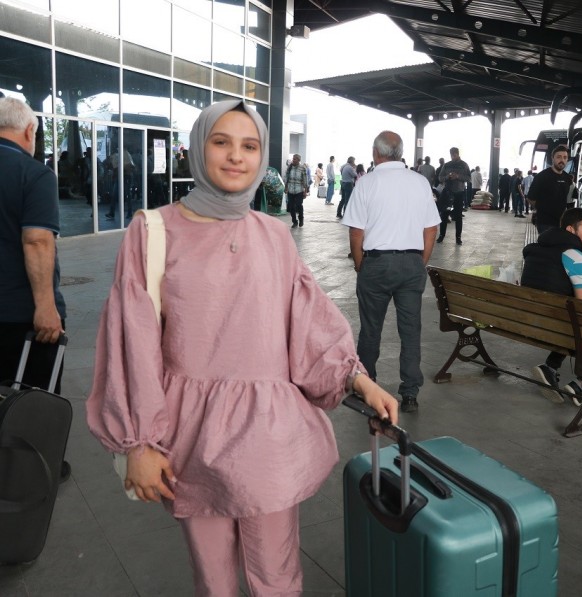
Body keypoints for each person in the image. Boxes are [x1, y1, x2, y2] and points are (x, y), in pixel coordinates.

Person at [85, 100, 398, 596]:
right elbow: (133, 341)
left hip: (268, 435)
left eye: (249, 146)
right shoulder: (153, 230)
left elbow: (309, 322)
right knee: (214, 580)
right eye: (221, 142)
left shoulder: (274, 235)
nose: (236, 156)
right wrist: (139, 442)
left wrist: (358, 379)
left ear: (263, 156)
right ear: (197, 149)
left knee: (277, 575)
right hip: (193, 437)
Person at [342, 131, 441, 414]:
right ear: (400, 152)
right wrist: (418, 262)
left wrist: (362, 266)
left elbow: (356, 232)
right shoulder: (420, 182)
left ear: (376, 153)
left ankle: (367, 385)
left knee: (371, 329)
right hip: (411, 263)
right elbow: (431, 229)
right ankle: (409, 394)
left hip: (376, 263)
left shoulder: (367, 183)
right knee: (411, 331)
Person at [0, 97, 70, 480]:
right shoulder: (33, 174)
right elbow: (38, 241)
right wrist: (46, 306)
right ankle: (36, 471)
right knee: (35, 395)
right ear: (30, 131)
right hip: (19, 315)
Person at [520, 207, 582, 403]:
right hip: (556, 327)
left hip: (525, 321)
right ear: (571, 230)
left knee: (570, 321)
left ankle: (551, 368)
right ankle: (579, 385)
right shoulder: (576, 257)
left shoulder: (535, 250)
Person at [527, 145, 574, 235]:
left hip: (561, 222)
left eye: (565, 157)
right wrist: (543, 209)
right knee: (548, 247)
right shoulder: (541, 176)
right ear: (552, 158)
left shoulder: (567, 178)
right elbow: (530, 198)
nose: (562, 160)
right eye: (558, 157)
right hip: (545, 223)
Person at [437, 147, 470, 245]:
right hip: (447, 193)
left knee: (458, 216)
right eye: (451, 155)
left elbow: (468, 178)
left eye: (454, 155)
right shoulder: (447, 165)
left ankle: (458, 238)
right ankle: (441, 236)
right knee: (444, 215)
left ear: (458, 154)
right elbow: (440, 178)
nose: (452, 157)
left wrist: (458, 176)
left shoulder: (464, 165)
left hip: (459, 193)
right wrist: (448, 177)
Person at [284, 153, 310, 228]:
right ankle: (294, 221)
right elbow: (286, 178)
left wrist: (305, 192)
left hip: (299, 190)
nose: (293, 160)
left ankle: (301, 219)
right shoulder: (290, 167)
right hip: (290, 190)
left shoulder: (302, 168)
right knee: (291, 206)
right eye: (293, 159)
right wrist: (286, 187)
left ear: (299, 160)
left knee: (299, 205)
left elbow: (305, 180)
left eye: (295, 159)